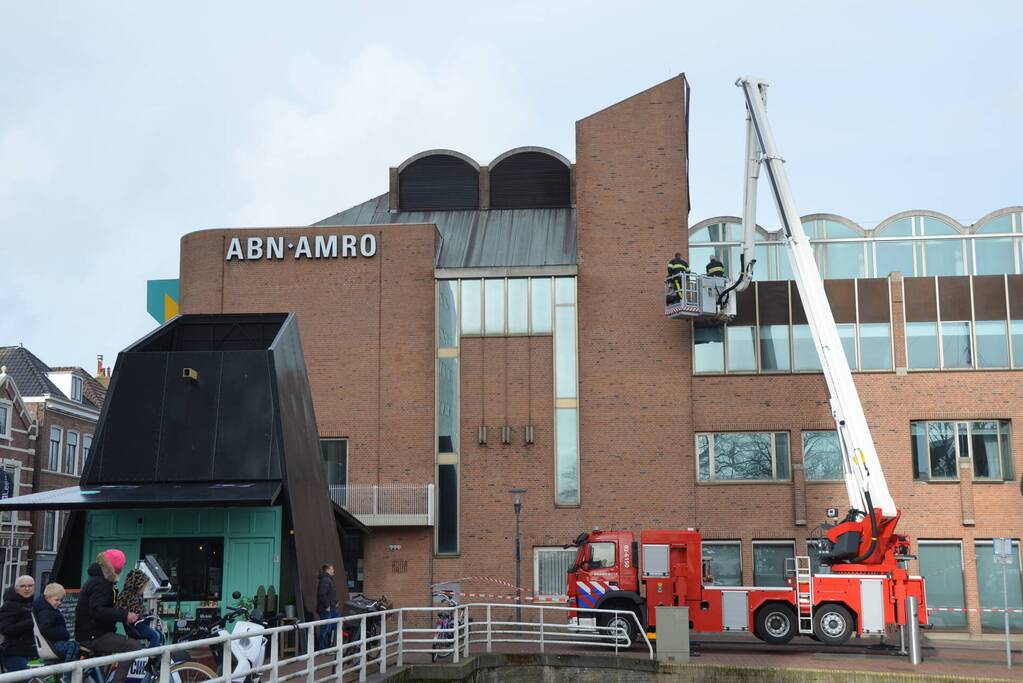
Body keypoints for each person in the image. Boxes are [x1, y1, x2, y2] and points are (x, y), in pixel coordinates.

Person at [76, 549, 141, 683]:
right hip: (94, 635)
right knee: (133, 646)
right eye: (122, 566)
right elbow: (97, 611)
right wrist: (125, 615)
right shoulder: (102, 583)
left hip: (91, 632)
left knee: (101, 672)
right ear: (116, 568)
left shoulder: (97, 579)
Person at [34, 583, 80, 666]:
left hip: (52, 642)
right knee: (73, 646)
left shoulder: (47, 609)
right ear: (47, 598)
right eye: (56, 600)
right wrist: (64, 634)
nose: (59, 603)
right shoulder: (46, 611)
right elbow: (45, 629)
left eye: (61, 600)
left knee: (75, 645)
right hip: (52, 643)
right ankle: (68, 671)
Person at [115, 567, 161, 648]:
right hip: (135, 626)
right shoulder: (127, 596)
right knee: (155, 636)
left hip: (140, 623)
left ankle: (154, 654)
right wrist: (145, 615)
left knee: (159, 635)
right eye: (144, 586)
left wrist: (147, 615)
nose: (144, 589)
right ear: (138, 585)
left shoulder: (137, 596)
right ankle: (150, 655)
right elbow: (131, 613)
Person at [0, 575, 36, 672]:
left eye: (30, 586)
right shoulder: (9, 605)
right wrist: (30, 623)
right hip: (13, 652)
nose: (27, 589)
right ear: (16, 589)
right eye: (23, 586)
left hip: (30, 651)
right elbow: (5, 629)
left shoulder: (30, 604)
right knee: (23, 677)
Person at [315, 564, 339, 651]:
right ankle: (323, 649)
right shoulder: (325, 580)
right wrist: (327, 606)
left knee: (329, 629)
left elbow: (329, 594)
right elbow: (322, 594)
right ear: (328, 570)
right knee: (325, 629)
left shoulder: (328, 579)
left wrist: (335, 603)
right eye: (332, 569)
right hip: (326, 610)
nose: (333, 571)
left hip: (330, 608)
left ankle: (327, 648)